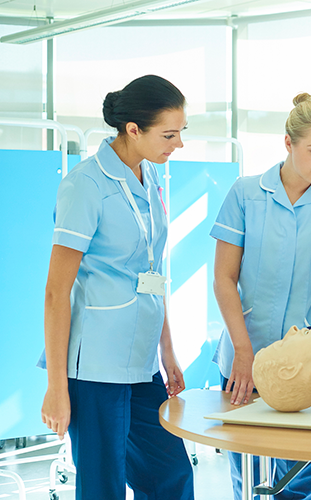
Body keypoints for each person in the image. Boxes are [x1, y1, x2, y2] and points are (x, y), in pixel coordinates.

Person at [39, 75, 193, 499]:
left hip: (142, 362)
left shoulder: (151, 176)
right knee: (103, 487)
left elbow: (153, 271)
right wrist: (56, 387)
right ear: (133, 130)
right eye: (169, 135)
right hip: (95, 367)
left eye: (181, 132)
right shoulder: (85, 186)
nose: (178, 144)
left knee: (171, 477)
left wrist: (167, 350)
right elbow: (56, 293)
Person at [211, 92, 311, 500]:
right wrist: (243, 350)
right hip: (246, 354)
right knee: (249, 476)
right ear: (287, 143)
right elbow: (224, 278)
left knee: (302, 481)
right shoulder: (245, 194)